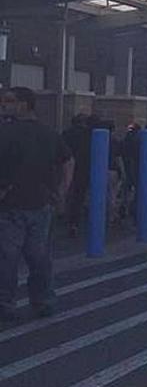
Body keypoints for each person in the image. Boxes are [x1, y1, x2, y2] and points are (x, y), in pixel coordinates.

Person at [0, 87, 74, 321]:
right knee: (39, 257)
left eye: (9, 101)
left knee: (7, 258)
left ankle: (5, 304)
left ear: (24, 104)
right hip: (42, 203)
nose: (4, 104)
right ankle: (43, 301)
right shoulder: (49, 133)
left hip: (10, 204)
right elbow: (68, 160)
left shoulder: (6, 132)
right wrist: (62, 190)